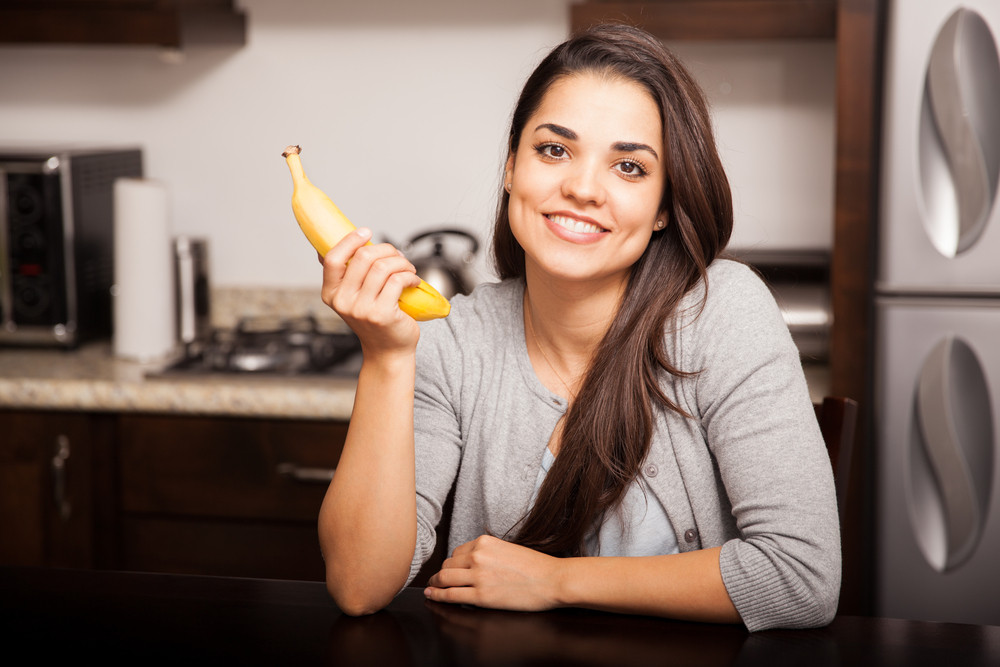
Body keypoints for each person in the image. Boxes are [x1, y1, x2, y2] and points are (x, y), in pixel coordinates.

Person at [316, 23, 841, 632]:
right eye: (554, 150)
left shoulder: (722, 313)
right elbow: (359, 585)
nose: (582, 188)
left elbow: (802, 578)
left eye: (628, 167)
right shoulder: (455, 340)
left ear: (665, 206)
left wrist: (556, 582)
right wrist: (386, 359)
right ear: (512, 167)